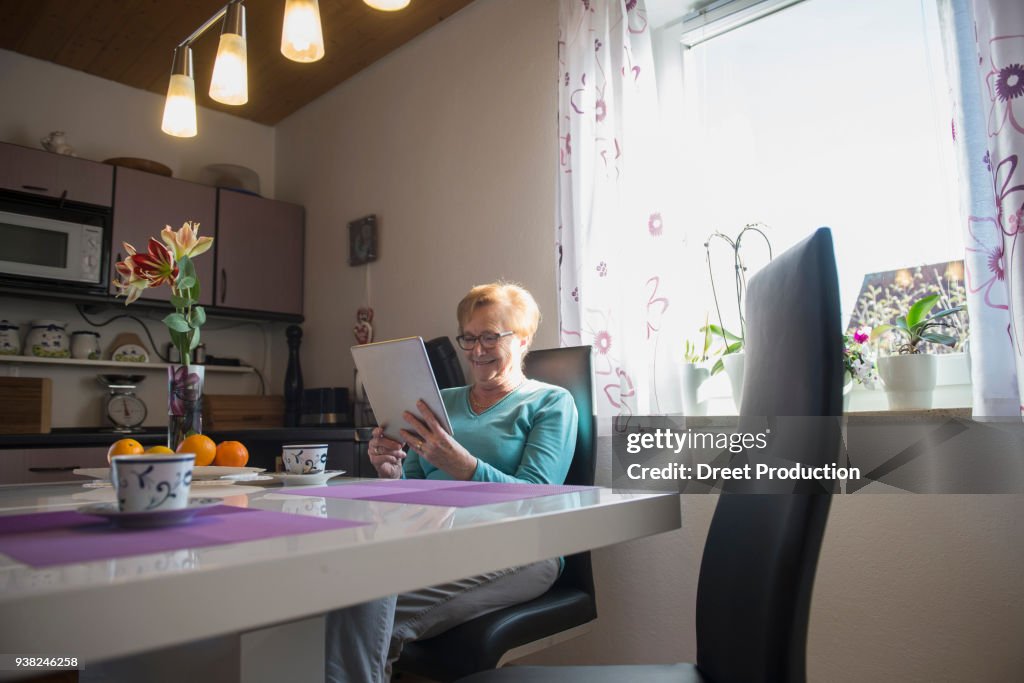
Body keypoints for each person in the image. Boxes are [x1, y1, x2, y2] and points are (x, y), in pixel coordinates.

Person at [326, 282, 579, 683]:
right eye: (470, 337)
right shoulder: (439, 401)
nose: (477, 351)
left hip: (524, 547)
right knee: (347, 593)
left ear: (524, 339)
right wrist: (391, 474)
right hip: (435, 541)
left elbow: (537, 495)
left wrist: (465, 467)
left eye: (490, 337)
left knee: (369, 609)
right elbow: (414, 493)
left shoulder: (550, 402)